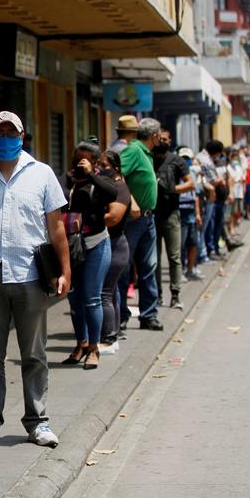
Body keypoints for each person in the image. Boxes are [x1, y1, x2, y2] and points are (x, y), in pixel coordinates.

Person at [0, 111, 70, 448]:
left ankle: (38, 422)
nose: (5, 138)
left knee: (34, 354)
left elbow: (56, 226)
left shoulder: (42, 174)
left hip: (31, 274)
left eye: (11, 132)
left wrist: (66, 271)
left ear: (22, 136)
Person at [61, 142, 117, 369]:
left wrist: (91, 175)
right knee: (74, 298)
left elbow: (112, 193)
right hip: (71, 246)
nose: (79, 164)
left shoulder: (101, 180)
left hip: (96, 244)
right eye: (76, 160)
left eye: (84, 160)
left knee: (92, 298)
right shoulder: (66, 180)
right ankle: (81, 344)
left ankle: (94, 348)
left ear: (95, 163)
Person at [117, 117, 163, 331]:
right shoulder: (134, 151)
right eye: (159, 136)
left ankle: (148, 315)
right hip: (133, 220)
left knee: (148, 267)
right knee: (124, 268)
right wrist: (132, 201)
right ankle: (121, 315)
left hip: (147, 219)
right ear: (154, 136)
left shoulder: (146, 153)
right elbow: (117, 174)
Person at [152, 129, 194, 310]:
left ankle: (175, 295)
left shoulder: (176, 160)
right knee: (153, 259)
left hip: (171, 215)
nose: (161, 141)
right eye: (159, 138)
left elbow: (190, 183)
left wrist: (172, 189)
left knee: (174, 256)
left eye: (165, 139)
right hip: (152, 215)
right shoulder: (148, 158)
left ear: (170, 141)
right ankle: (157, 296)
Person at [97, 150, 134, 355]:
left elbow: (113, 218)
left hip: (115, 245)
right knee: (110, 292)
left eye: (104, 165)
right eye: (98, 165)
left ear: (116, 168)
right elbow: (135, 210)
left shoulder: (119, 188)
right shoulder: (113, 187)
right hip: (113, 244)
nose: (99, 169)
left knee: (104, 292)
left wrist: (90, 217)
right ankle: (115, 332)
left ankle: (109, 338)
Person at [177, 147, 204, 282]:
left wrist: (198, 214)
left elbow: (196, 195)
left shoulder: (191, 174)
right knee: (180, 244)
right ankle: (180, 270)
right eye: (183, 158)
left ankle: (190, 269)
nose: (185, 161)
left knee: (193, 243)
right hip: (180, 212)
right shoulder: (174, 173)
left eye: (187, 159)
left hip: (191, 213)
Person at [195, 140, 225, 262]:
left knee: (205, 228)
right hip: (206, 198)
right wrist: (220, 180)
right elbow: (211, 181)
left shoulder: (202, 157)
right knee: (204, 228)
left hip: (206, 197)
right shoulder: (206, 161)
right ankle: (202, 255)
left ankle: (203, 253)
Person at [227, 149, 245, 233]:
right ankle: (231, 227)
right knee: (232, 210)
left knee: (239, 210)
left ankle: (234, 226)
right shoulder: (229, 167)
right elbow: (230, 178)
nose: (235, 158)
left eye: (236, 157)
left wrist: (243, 183)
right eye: (233, 157)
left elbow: (243, 177)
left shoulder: (239, 167)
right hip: (233, 190)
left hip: (239, 190)